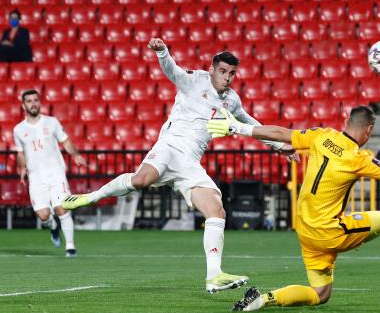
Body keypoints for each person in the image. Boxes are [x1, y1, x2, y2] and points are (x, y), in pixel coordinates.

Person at [62, 37, 297, 293]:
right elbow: (172, 70)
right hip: (169, 148)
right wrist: (163, 52)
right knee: (141, 180)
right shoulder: (194, 79)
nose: (227, 77)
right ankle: (91, 197)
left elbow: (249, 121)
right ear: (212, 70)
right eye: (222, 71)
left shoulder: (232, 100)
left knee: (216, 211)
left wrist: (278, 147)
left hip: (190, 163)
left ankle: (214, 275)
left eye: (231, 73)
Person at [206, 106, 380, 311]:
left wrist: (238, 128)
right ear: (369, 130)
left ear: (346, 121)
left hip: (305, 232)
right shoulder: (357, 158)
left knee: (320, 294)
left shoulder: (320, 136)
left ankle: (262, 300)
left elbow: (280, 133)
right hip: (330, 232)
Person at [14, 89, 86, 257]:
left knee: (62, 208)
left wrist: (75, 155)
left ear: (40, 102)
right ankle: (53, 228)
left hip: (56, 174)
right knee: (43, 215)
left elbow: (65, 141)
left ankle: (70, 247)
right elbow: (20, 153)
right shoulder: (18, 130)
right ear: (23, 105)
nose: (33, 103)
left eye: (36, 100)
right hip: (36, 177)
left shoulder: (52, 122)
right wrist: (22, 168)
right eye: (29, 101)